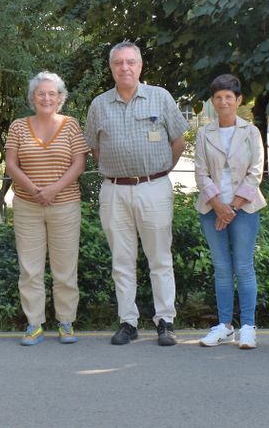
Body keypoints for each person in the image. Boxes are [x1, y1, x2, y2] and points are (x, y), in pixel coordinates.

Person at [85, 41, 189, 346]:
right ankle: (127, 322)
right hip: (115, 190)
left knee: (159, 257)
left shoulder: (160, 97)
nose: (125, 68)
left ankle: (165, 320)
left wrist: (159, 172)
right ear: (111, 68)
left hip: (154, 188)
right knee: (122, 259)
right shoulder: (99, 105)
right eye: (118, 63)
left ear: (140, 66)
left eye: (130, 62)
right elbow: (95, 148)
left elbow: (179, 141)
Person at [4, 71, 88, 346]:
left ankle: (66, 321)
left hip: (65, 205)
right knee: (30, 269)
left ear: (60, 97)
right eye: (41, 93)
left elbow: (79, 163)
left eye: (52, 93)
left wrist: (53, 190)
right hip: (27, 206)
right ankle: (34, 323)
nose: (47, 97)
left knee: (65, 268)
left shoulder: (71, 125)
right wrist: (34, 190)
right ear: (32, 97)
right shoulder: (18, 126)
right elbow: (11, 164)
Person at [193, 74, 266, 350]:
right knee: (222, 269)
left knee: (244, 267)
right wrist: (218, 206)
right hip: (212, 209)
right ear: (213, 102)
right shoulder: (204, 133)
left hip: (244, 209)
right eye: (218, 97)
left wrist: (232, 207)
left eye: (229, 97)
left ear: (238, 100)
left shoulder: (251, 132)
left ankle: (248, 326)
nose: (223, 102)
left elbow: (255, 171)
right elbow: (200, 172)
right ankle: (224, 326)